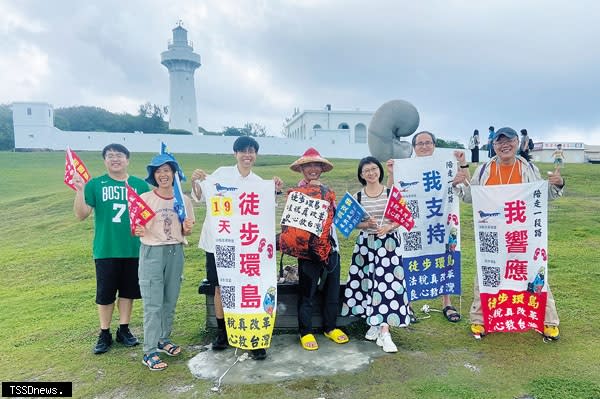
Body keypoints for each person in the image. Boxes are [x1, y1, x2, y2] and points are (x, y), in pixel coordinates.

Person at [453, 127, 564, 340]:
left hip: (523, 234)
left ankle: (548, 320)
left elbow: (544, 196)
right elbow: (470, 197)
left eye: (509, 141)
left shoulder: (528, 168)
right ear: (493, 146)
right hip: (492, 233)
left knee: (534, 274)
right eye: (499, 142)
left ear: (517, 143)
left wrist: (558, 184)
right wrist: (459, 185)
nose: (504, 145)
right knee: (487, 275)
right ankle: (480, 320)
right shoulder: (485, 169)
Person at [191, 136, 283, 361]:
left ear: (256, 155)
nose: (247, 155)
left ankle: (253, 336)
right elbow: (201, 196)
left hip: (247, 247)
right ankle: (223, 333)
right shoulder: (221, 174)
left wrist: (275, 191)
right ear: (235, 154)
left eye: (251, 151)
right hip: (219, 243)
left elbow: (266, 211)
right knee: (221, 288)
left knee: (248, 287)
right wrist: (196, 181)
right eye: (243, 151)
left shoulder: (259, 181)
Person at [73, 143, 149, 354]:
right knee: (106, 293)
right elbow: (81, 214)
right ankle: (104, 332)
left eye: (119, 155)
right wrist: (80, 190)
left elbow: (147, 216)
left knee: (128, 292)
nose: (115, 159)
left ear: (127, 159)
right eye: (110, 156)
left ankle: (123, 329)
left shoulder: (139, 185)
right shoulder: (95, 184)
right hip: (106, 248)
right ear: (105, 160)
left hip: (133, 248)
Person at [387, 131, 466, 324]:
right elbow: (390, 193)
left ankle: (447, 302)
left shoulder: (446, 164)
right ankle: (409, 304)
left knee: (446, 256)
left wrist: (462, 166)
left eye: (428, 142)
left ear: (434, 145)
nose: (424, 146)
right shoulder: (406, 167)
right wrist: (391, 173)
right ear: (414, 147)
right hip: (414, 225)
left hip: (441, 222)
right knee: (410, 258)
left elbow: (464, 186)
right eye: (419, 143)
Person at [342, 156, 410, 353]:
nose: (371, 173)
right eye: (366, 171)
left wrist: (388, 227)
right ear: (361, 175)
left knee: (388, 285)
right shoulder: (358, 197)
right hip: (366, 246)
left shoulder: (391, 193)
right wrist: (366, 225)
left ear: (379, 171)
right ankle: (374, 321)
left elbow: (403, 216)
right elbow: (352, 224)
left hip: (388, 246)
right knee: (368, 283)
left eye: (373, 169)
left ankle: (385, 331)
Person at [135, 154, 195, 371]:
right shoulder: (145, 198)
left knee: (170, 299)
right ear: (153, 175)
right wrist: (138, 229)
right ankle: (149, 351)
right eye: (158, 171)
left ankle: (163, 339)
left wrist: (187, 228)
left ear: (174, 174)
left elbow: (187, 227)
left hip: (175, 251)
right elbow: (136, 226)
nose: (163, 175)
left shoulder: (183, 200)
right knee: (153, 302)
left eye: (167, 170)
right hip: (152, 251)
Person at [287, 148, 349, 350]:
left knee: (332, 289)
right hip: (308, 250)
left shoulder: (328, 191)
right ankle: (305, 331)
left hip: (331, 247)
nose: (312, 169)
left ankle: (330, 327)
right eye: (308, 166)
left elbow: (335, 218)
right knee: (308, 291)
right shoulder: (297, 194)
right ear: (302, 169)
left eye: (316, 165)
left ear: (321, 168)